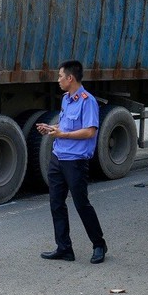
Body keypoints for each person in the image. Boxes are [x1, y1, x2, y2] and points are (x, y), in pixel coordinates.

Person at [36, 60, 108, 264]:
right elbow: (66, 125)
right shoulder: (66, 99)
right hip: (58, 157)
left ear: (70, 78)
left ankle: (99, 245)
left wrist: (63, 133)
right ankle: (64, 248)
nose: (58, 80)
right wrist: (52, 129)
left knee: (81, 204)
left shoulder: (88, 101)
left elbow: (90, 131)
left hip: (75, 162)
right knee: (56, 203)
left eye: (60, 76)